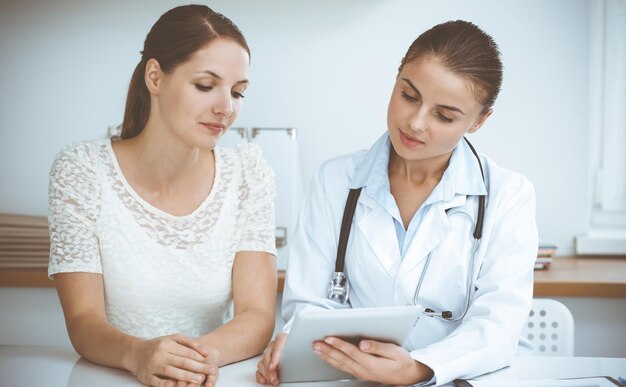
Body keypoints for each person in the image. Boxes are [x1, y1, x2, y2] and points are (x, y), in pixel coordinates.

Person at [257, 20, 538, 386]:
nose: (416, 122)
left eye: (444, 115)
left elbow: (498, 326)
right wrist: (291, 342)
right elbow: (308, 306)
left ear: (479, 121)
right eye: (409, 95)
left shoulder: (508, 195)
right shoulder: (335, 181)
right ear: (397, 77)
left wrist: (418, 368)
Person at [48, 5, 277, 387]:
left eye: (238, 92)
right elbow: (83, 321)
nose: (226, 108)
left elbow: (256, 315)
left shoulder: (248, 173)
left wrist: (190, 362)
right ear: (155, 77)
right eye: (205, 85)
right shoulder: (82, 170)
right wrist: (138, 354)